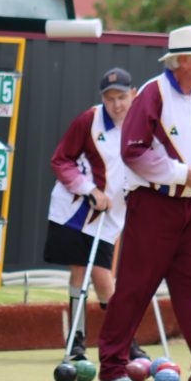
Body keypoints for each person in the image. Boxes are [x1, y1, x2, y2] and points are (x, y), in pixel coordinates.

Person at [93, 25, 191, 381]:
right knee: (136, 288)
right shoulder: (153, 93)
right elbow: (133, 152)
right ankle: (110, 372)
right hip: (153, 204)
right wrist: (185, 173)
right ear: (183, 60)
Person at [46, 67, 149, 363]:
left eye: (121, 97)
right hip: (76, 210)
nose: (116, 104)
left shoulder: (145, 123)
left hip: (113, 214)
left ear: (133, 93)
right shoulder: (89, 120)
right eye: (109, 98)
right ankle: (86, 341)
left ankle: (112, 341)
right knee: (91, 274)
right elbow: (61, 159)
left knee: (99, 278)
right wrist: (89, 189)